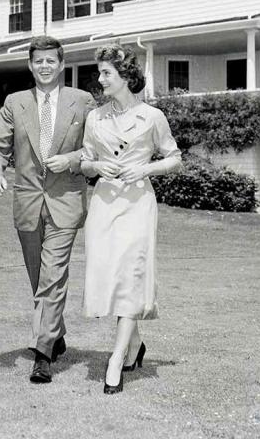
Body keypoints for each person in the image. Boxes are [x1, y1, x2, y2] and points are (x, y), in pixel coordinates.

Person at [0, 35, 95, 384]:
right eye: (39, 61)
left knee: (53, 275)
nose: (45, 66)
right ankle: (56, 333)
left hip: (66, 201)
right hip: (28, 201)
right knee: (38, 278)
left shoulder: (82, 100)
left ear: (61, 65)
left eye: (51, 61)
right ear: (30, 66)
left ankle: (42, 353)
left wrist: (73, 159)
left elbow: (95, 149)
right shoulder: (14, 102)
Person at [79, 44, 181, 394]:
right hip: (105, 203)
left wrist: (145, 168)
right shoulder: (96, 117)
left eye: (106, 73)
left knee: (132, 275)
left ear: (125, 77)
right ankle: (136, 344)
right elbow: (85, 161)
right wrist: (96, 166)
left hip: (138, 203)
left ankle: (116, 358)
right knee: (110, 275)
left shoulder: (152, 117)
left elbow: (174, 157)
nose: (100, 78)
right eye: (101, 72)